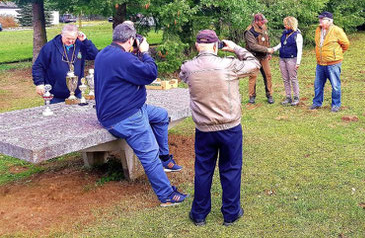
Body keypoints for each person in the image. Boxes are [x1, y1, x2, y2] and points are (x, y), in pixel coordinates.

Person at [94, 22, 187, 207]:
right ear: (130, 40)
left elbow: (129, 70)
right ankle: (166, 195)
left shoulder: (105, 53)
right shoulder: (122, 59)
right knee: (149, 154)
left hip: (126, 108)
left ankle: (165, 159)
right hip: (124, 117)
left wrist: (135, 53)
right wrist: (145, 51)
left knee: (161, 115)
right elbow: (150, 73)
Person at [179, 29, 260, 226]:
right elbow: (255, 65)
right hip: (230, 127)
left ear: (197, 46)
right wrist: (236, 49)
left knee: (203, 170)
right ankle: (231, 214)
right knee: (231, 169)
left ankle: (199, 214)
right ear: (216, 46)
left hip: (204, 129)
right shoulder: (229, 65)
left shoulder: (188, 68)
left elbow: (183, 77)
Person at [32, 24, 99, 103]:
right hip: (56, 95)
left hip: (77, 93)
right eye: (68, 38)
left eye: (73, 39)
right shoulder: (50, 47)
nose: (70, 41)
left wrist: (85, 40)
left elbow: (94, 55)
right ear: (61, 34)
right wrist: (39, 83)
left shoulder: (80, 45)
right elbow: (38, 66)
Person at [310, 11, 350, 112]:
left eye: (322, 19)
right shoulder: (318, 30)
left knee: (335, 85)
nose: (320, 21)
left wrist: (336, 54)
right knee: (318, 85)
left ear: (329, 21)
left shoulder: (337, 30)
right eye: (320, 19)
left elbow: (345, 44)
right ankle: (317, 103)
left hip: (333, 64)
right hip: (320, 63)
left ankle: (336, 105)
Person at [271, 16, 303, 105]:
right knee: (285, 79)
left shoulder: (297, 35)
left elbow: (300, 50)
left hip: (292, 59)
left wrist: (298, 62)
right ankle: (288, 97)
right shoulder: (285, 34)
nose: (284, 26)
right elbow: (281, 44)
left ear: (291, 24)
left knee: (293, 78)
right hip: (282, 58)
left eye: (286, 24)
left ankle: (296, 97)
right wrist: (273, 49)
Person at [244, 13, 274, 104]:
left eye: (264, 22)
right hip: (254, 57)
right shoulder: (249, 31)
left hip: (264, 56)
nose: (263, 23)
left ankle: (269, 95)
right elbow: (252, 46)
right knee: (253, 76)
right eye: (261, 22)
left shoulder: (264, 27)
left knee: (268, 75)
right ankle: (252, 96)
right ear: (256, 21)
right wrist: (267, 49)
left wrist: (268, 52)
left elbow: (267, 40)